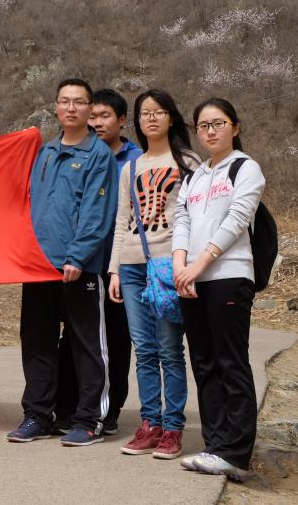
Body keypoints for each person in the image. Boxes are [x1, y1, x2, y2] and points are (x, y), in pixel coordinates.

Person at [7, 79, 118, 447]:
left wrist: (77, 256)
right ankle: (37, 415)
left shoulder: (98, 155)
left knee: (86, 345)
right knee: (36, 342)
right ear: (56, 107)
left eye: (79, 102)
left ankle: (89, 420)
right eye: (65, 101)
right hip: (38, 266)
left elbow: (97, 212)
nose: (71, 108)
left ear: (90, 109)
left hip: (77, 268)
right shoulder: (46, 152)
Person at [173, 98, 265, 480]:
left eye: (218, 123)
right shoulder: (193, 176)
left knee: (230, 362)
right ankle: (214, 445)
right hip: (192, 279)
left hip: (229, 275)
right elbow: (181, 219)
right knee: (204, 363)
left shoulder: (246, 168)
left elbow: (237, 219)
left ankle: (236, 453)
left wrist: (199, 264)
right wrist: (180, 266)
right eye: (203, 125)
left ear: (235, 127)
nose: (210, 131)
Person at [108, 89, 200, 460]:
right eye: (145, 113)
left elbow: (195, 216)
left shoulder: (188, 161)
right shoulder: (130, 167)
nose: (151, 118)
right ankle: (150, 424)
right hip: (132, 265)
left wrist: (188, 265)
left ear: (171, 117)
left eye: (159, 111)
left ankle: (173, 428)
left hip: (168, 265)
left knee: (169, 349)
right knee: (144, 350)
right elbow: (122, 221)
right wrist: (114, 270)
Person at [54, 89, 140, 435]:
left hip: (118, 264)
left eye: (105, 116)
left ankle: (110, 408)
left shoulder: (135, 160)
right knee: (73, 337)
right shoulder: (77, 153)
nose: (97, 123)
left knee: (115, 337)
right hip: (82, 261)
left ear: (122, 120)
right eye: (94, 116)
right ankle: (68, 406)